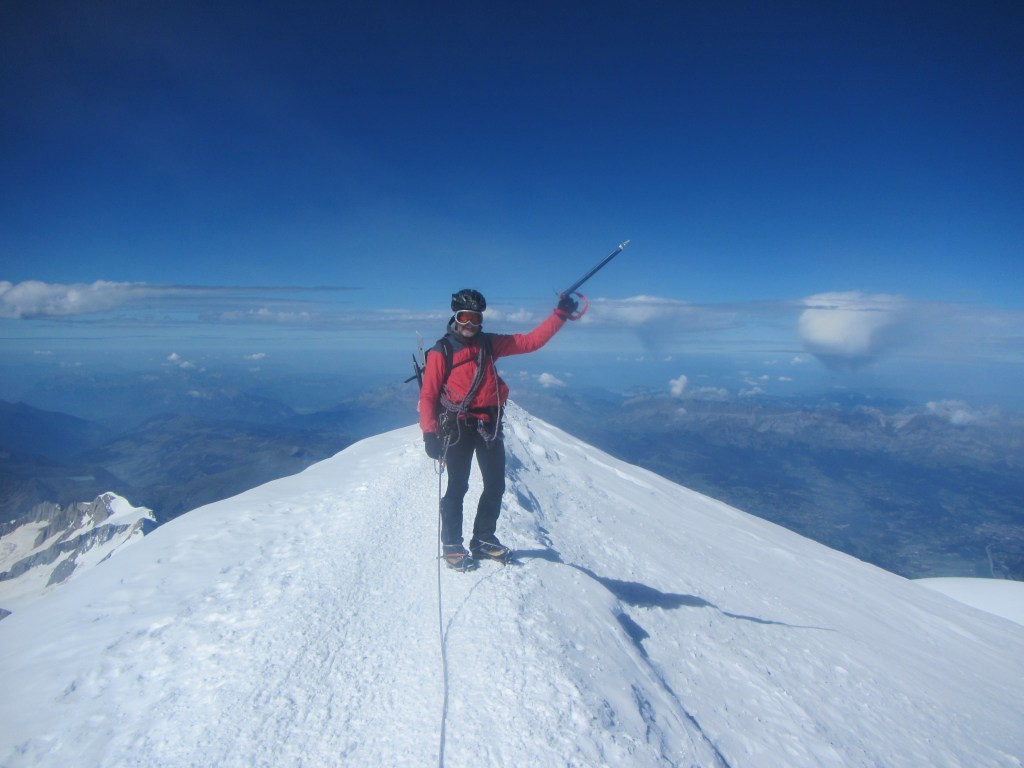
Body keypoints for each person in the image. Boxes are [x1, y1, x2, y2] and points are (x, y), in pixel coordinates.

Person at [419, 288, 580, 570]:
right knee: (458, 485)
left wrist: (561, 315)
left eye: (475, 319)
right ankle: (452, 543)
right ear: (455, 317)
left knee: (496, 485)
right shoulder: (440, 352)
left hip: (489, 426)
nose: (470, 325)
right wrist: (429, 433)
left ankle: (482, 539)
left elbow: (529, 342)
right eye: (465, 317)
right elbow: (429, 395)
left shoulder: (489, 344)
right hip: (457, 427)